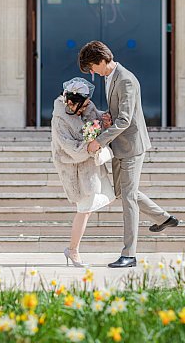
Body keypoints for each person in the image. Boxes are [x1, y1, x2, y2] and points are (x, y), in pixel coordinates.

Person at [78, 41, 179, 268]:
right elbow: (117, 115)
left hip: (132, 146)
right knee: (121, 191)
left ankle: (129, 254)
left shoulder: (125, 79)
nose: (92, 73)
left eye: (92, 68)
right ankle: (163, 218)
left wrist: (98, 141)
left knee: (129, 197)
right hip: (118, 146)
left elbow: (125, 119)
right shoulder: (109, 77)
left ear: (102, 60)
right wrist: (102, 118)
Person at [51, 77, 115, 267]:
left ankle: (72, 249)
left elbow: (95, 120)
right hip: (74, 167)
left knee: (99, 201)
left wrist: (104, 121)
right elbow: (68, 147)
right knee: (84, 209)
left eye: (88, 103)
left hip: (90, 165)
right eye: (84, 104)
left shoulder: (86, 105)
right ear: (71, 102)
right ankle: (73, 250)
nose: (87, 106)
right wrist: (89, 147)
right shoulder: (59, 119)